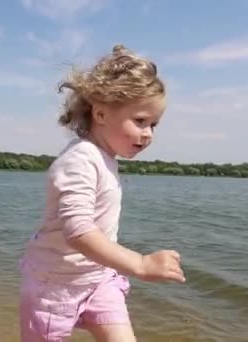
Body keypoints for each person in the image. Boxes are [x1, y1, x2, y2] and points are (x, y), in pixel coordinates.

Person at [18, 44, 186, 342]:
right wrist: (140, 264)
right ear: (100, 113)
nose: (148, 133)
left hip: (99, 280)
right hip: (54, 285)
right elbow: (78, 230)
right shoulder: (80, 159)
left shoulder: (106, 159)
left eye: (154, 124)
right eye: (140, 121)